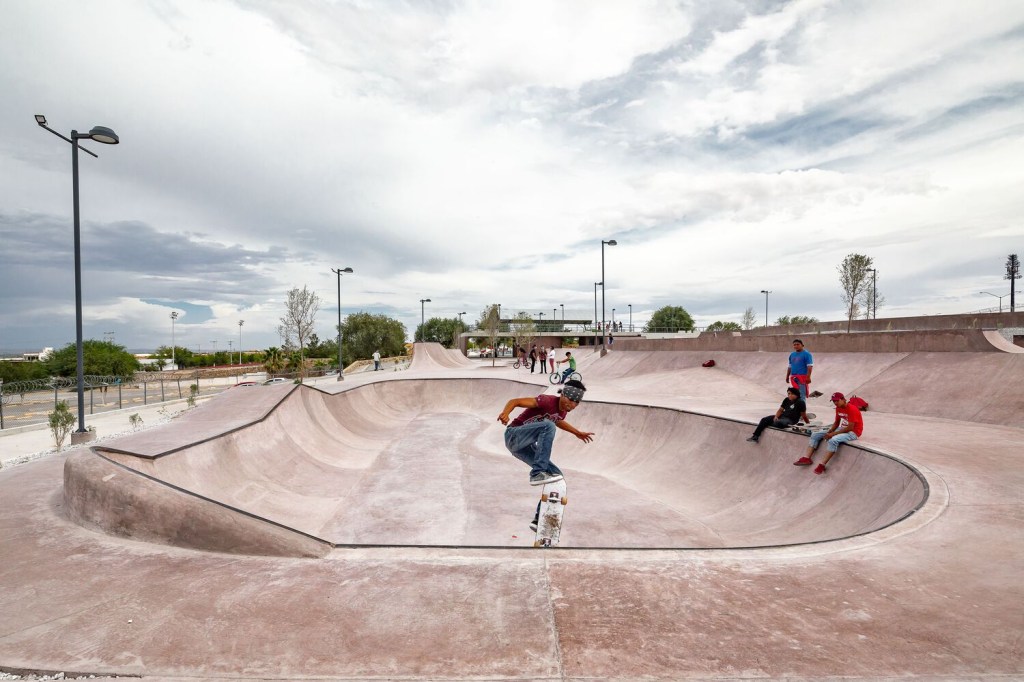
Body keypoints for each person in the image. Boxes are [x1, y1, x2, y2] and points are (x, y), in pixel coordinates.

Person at [497, 380, 595, 528]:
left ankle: (540, 518)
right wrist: (505, 413)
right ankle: (537, 473)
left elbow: (559, 421)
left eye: (577, 402)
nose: (573, 405)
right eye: (570, 400)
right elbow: (515, 401)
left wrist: (577, 433)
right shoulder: (547, 401)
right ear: (563, 394)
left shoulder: (562, 412)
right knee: (548, 426)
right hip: (514, 435)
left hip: (523, 448)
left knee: (556, 476)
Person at [793, 392, 863, 474]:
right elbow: (836, 423)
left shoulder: (852, 409)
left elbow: (850, 428)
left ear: (843, 399)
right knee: (815, 434)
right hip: (843, 428)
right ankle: (807, 458)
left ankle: (822, 465)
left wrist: (833, 434)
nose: (835, 403)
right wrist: (830, 431)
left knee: (833, 440)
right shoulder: (838, 408)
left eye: (837, 401)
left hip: (854, 432)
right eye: (834, 401)